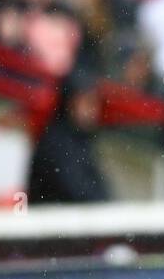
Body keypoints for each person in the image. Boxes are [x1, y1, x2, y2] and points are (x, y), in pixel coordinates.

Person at [27, 75, 111, 203]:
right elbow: (77, 191)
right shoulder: (55, 142)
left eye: (95, 104)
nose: (93, 111)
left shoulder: (81, 141)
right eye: (87, 103)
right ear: (70, 103)